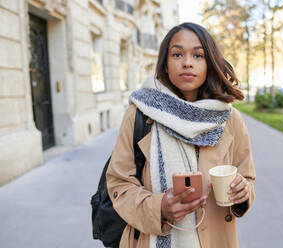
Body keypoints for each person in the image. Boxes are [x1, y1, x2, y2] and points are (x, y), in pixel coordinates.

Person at [106, 22, 256, 248]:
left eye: (198, 55)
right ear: (165, 64)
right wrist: (159, 208)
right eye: (177, 54)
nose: (187, 62)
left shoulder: (230, 119)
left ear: (210, 63)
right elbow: (119, 183)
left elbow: (246, 177)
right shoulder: (140, 113)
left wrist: (243, 191)